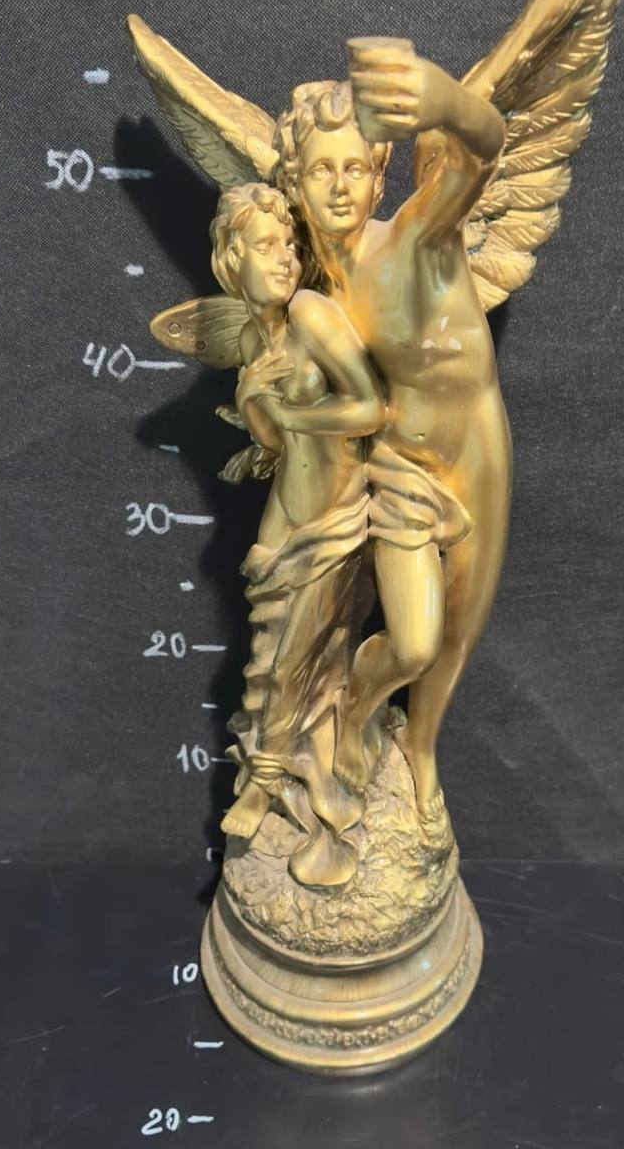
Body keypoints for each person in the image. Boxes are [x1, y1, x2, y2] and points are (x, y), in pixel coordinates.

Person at [272, 53, 512, 818]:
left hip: (477, 445)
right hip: (402, 462)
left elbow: (481, 152)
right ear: (295, 183)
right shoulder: (312, 293)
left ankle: (423, 746)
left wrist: (449, 103)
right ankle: (356, 705)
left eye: (355, 168)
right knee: (413, 643)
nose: (340, 187)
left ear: (380, 179)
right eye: (321, 170)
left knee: (462, 629)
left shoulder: (417, 236)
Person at [212, 182, 387, 886]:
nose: (286, 257)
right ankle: (283, 763)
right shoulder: (252, 338)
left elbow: (371, 408)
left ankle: (261, 787)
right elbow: (269, 442)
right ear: (233, 260)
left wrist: (296, 416)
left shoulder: (313, 314)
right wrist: (250, 394)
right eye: (267, 246)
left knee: (292, 663)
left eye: (289, 243)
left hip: (336, 520)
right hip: (284, 513)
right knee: (268, 658)